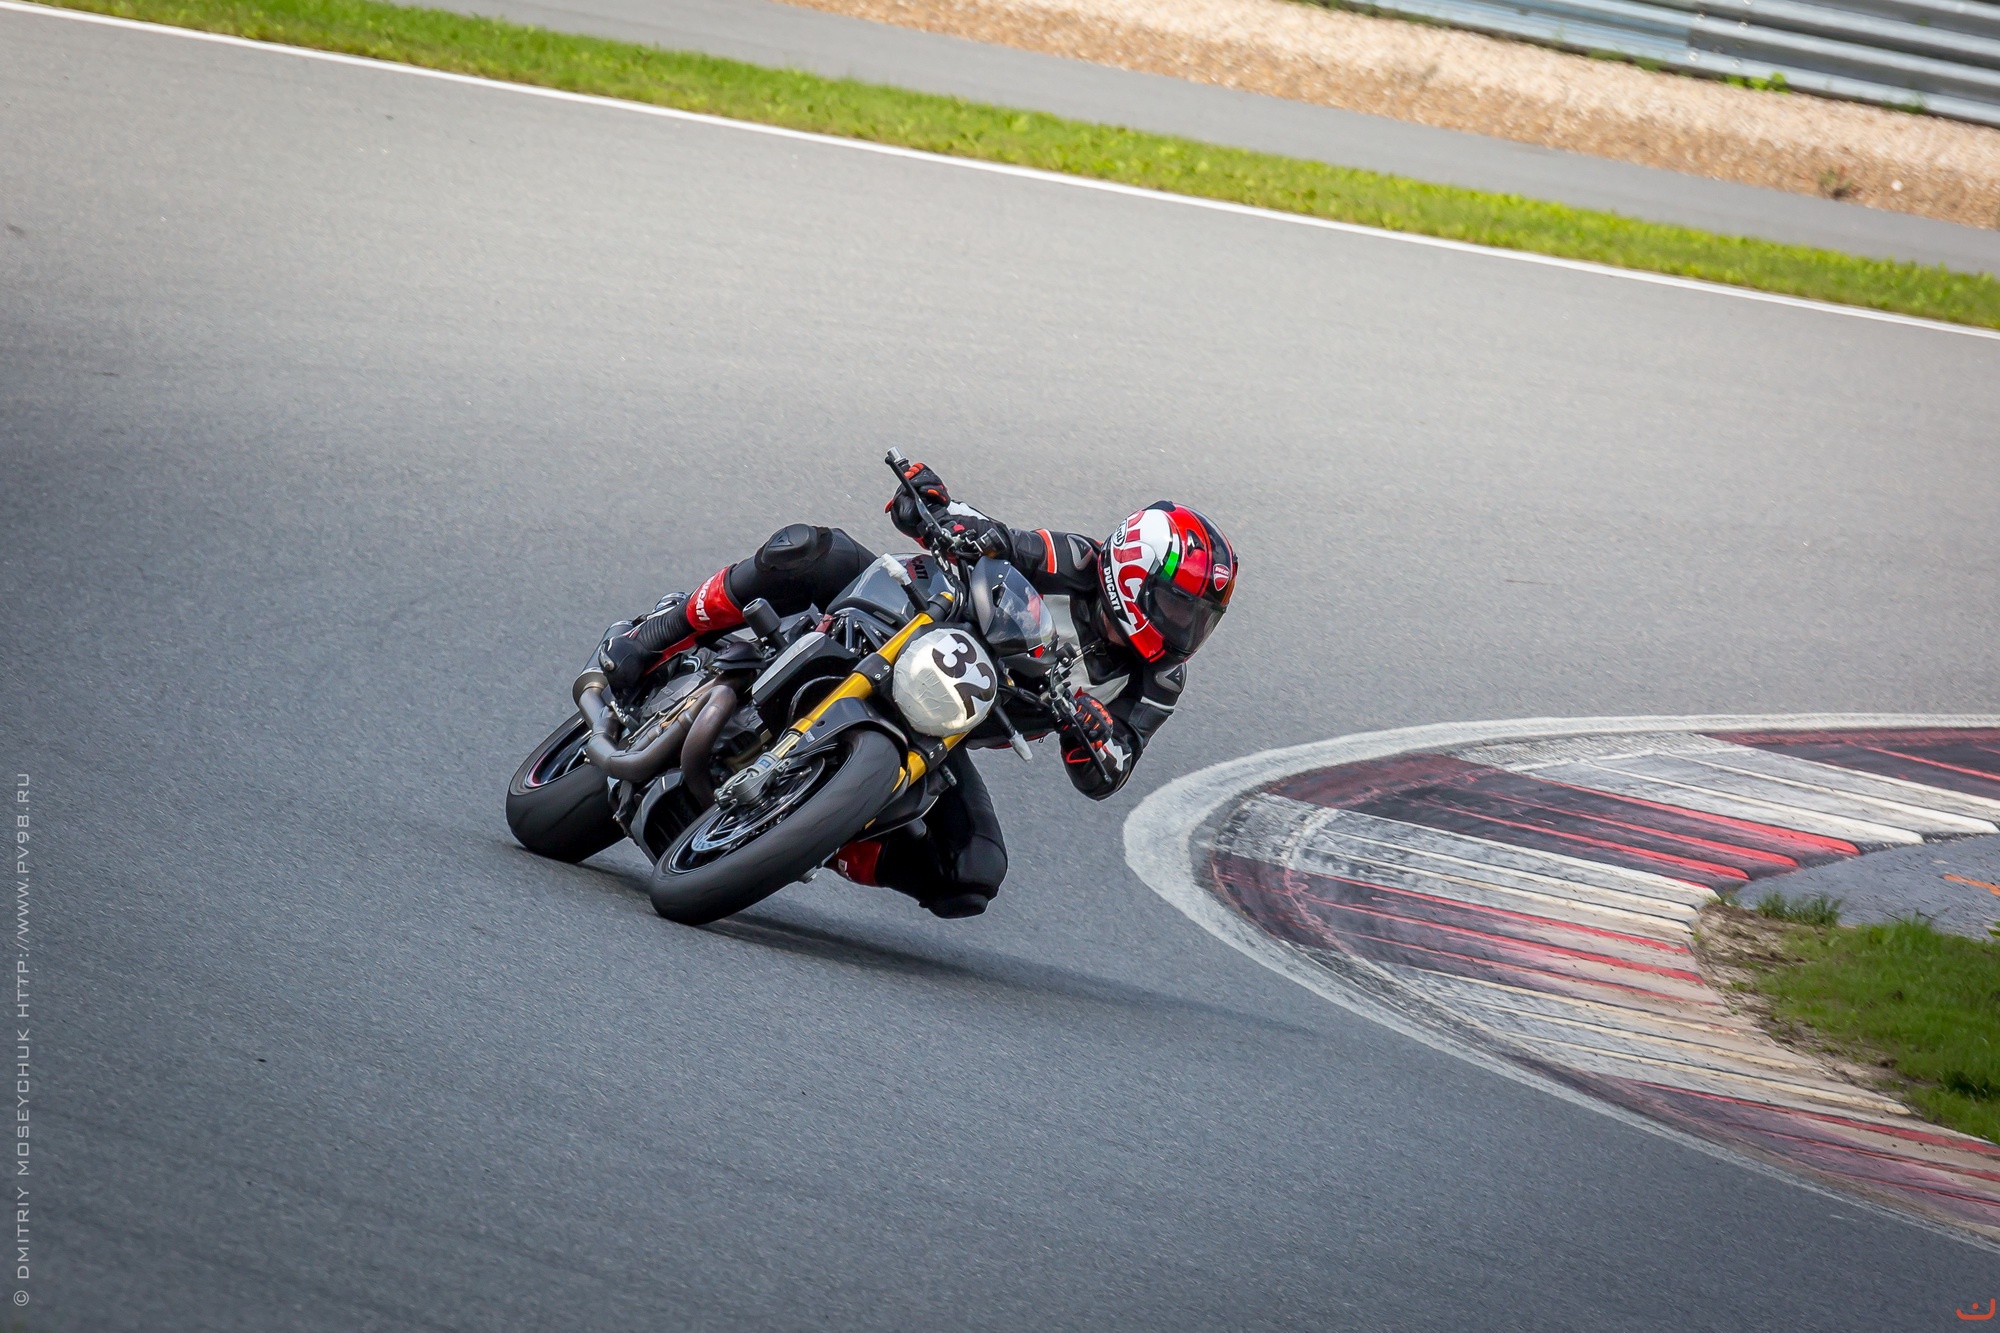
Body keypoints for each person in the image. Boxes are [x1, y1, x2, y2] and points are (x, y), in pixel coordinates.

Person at [594, 461, 1238, 919]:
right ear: (1131, 572)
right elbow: (998, 537)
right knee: (809, 550)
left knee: (971, 873)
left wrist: (1094, 732)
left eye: (1199, 619)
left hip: (945, 724)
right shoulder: (1077, 560)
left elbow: (1111, 771)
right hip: (900, 620)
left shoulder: (1161, 679)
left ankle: (818, 832)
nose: (1184, 629)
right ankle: (660, 633)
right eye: (1177, 606)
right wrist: (932, 507)